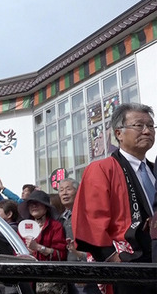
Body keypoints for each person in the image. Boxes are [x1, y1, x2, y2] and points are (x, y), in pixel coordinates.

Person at [72, 103, 157, 294]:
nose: (147, 131)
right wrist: (113, 259)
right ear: (118, 133)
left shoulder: (154, 170)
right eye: (139, 125)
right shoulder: (102, 169)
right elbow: (89, 221)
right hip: (128, 267)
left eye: (151, 126)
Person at [19, 190, 67, 294]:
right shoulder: (23, 227)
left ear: (46, 207)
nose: (34, 206)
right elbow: (16, 251)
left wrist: (39, 247)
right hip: (28, 278)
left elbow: (61, 255)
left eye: (38, 203)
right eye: (31, 204)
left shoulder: (55, 226)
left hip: (50, 280)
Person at [58, 178, 101, 294]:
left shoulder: (86, 214)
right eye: (61, 190)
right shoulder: (61, 219)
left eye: (68, 189)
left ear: (77, 191)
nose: (64, 193)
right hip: (69, 273)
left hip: (85, 271)